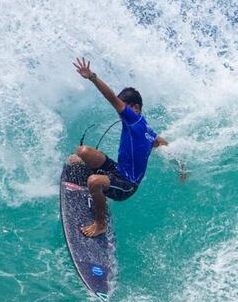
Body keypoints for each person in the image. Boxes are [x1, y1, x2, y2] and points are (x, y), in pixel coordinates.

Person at [70, 57, 178, 237]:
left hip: (127, 185)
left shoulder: (133, 118)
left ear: (135, 107)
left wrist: (92, 77)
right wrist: (181, 168)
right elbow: (164, 144)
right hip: (117, 171)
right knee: (83, 152)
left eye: (123, 107)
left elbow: (111, 97)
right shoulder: (146, 128)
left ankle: (100, 223)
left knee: (94, 182)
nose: (120, 111)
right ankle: (99, 185)